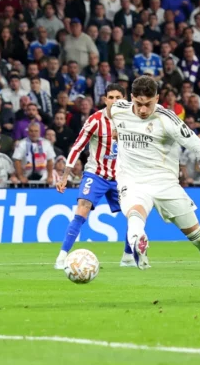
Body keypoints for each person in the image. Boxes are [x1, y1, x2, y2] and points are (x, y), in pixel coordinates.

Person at [107, 75, 200, 297]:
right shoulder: (118, 110)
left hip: (165, 184)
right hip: (132, 180)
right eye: (139, 103)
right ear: (131, 98)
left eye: (149, 104)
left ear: (157, 98)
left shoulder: (168, 120)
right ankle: (138, 242)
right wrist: (117, 137)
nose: (143, 109)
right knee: (134, 213)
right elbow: (113, 120)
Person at [55, 83, 144, 270]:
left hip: (121, 176)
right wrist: (65, 176)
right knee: (82, 208)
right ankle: (62, 256)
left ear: (125, 100)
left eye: (118, 97)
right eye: (110, 97)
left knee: (134, 214)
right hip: (96, 174)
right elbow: (77, 147)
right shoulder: (95, 120)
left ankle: (128, 256)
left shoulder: (133, 120)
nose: (114, 101)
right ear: (105, 100)